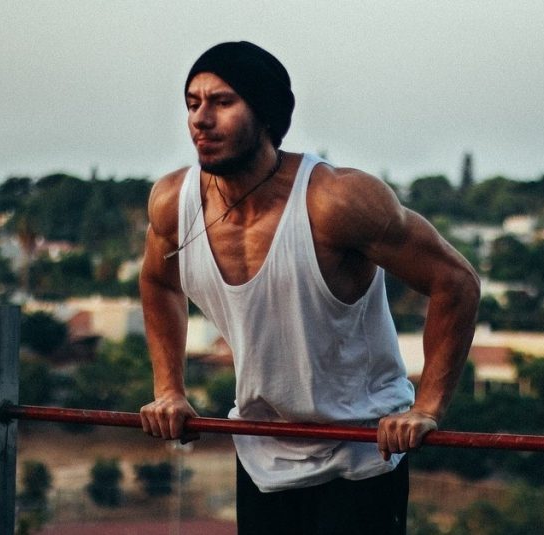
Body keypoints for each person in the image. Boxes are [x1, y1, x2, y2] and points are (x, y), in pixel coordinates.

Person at [139, 41, 480, 535]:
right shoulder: (173, 202)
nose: (201, 119)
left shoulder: (335, 201)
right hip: (260, 448)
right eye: (193, 103)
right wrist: (169, 390)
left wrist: (426, 407)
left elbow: (456, 282)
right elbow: (157, 280)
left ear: (267, 113)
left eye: (223, 102)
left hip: (363, 450)